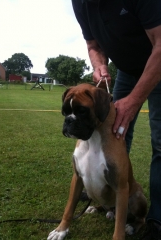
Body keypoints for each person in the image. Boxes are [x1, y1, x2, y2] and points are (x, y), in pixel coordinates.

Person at [71, 0, 161, 239]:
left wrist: (132, 102)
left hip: (159, 61)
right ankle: (108, 196)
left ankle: (157, 220)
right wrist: (99, 63)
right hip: (126, 71)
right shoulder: (79, 3)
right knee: (115, 131)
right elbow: (93, 44)